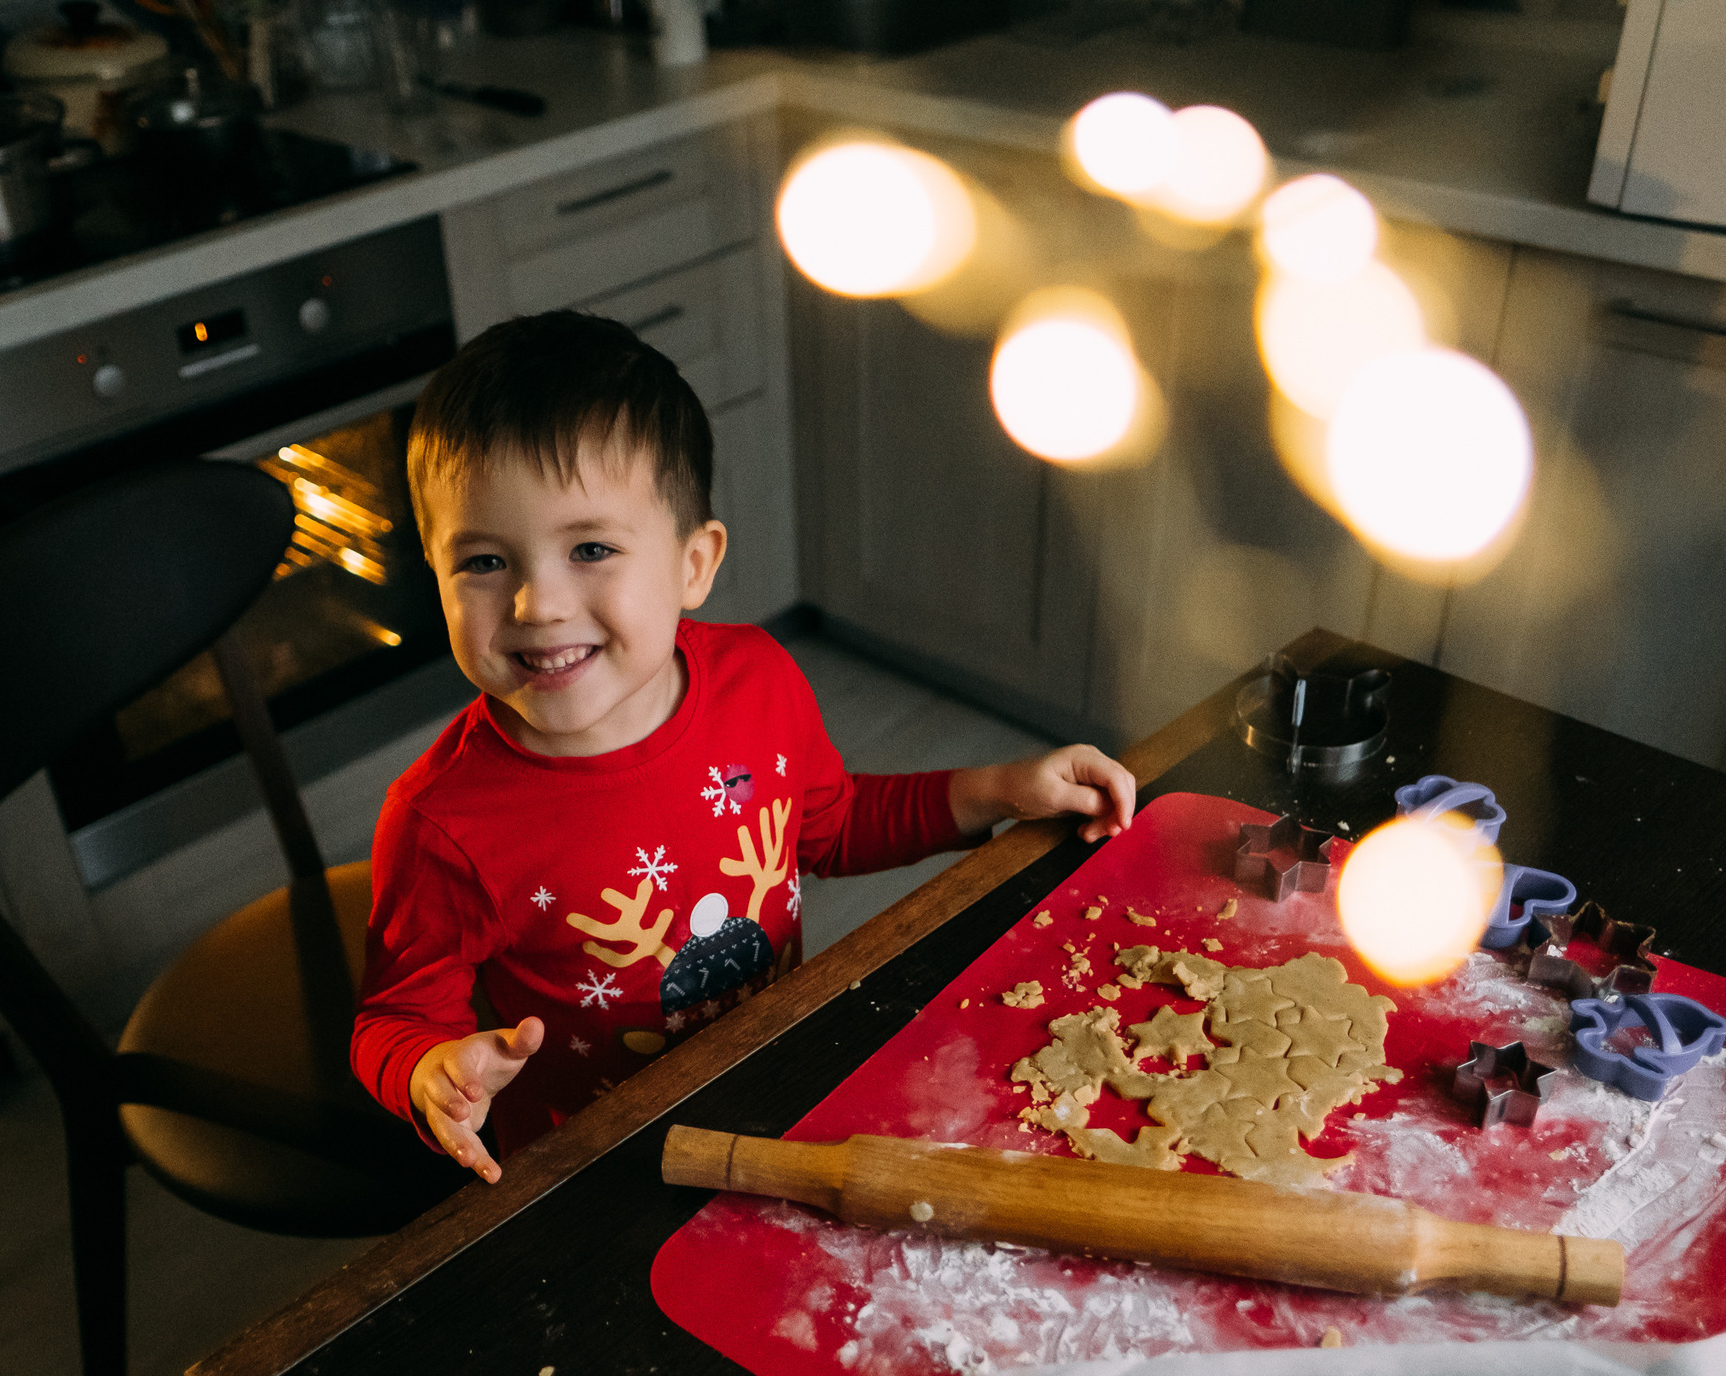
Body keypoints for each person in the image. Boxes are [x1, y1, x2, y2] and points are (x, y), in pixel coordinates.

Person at [351, 311, 1139, 1183]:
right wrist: (429, 1073)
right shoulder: (440, 820)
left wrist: (1002, 786)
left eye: (591, 548)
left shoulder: (757, 680)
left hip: (776, 1089)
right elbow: (392, 1019)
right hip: (596, 1168)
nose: (538, 605)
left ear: (694, 563)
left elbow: (835, 825)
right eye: (483, 563)